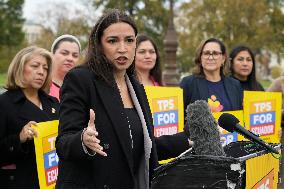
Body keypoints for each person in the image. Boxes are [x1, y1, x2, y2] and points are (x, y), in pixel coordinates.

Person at [55, 10, 159, 189]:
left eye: (129, 40)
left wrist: (186, 139)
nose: (122, 48)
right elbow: (63, 142)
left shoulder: (136, 87)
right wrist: (83, 140)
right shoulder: (80, 79)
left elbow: (141, 144)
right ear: (99, 45)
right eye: (112, 41)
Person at [0, 46, 59, 189]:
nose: (41, 72)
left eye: (45, 68)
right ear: (20, 68)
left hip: (52, 181)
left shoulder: (54, 103)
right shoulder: (4, 103)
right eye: (35, 66)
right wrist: (19, 138)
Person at [135, 34, 190, 159]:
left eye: (152, 52)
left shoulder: (160, 84)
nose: (148, 56)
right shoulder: (127, 85)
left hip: (163, 151)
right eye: (142, 52)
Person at [180, 38, 243, 113]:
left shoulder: (235, 85)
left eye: (215, 53)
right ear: (200, 58)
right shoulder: (188, 83)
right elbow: (180, 118)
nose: (210, 57)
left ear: (223, 58)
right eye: (206, 53)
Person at [49, 34, 81, 101]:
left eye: (75, 55)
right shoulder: (42, 85)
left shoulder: (81, 88)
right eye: (64, 53)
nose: (70, 58)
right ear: (52, 55)